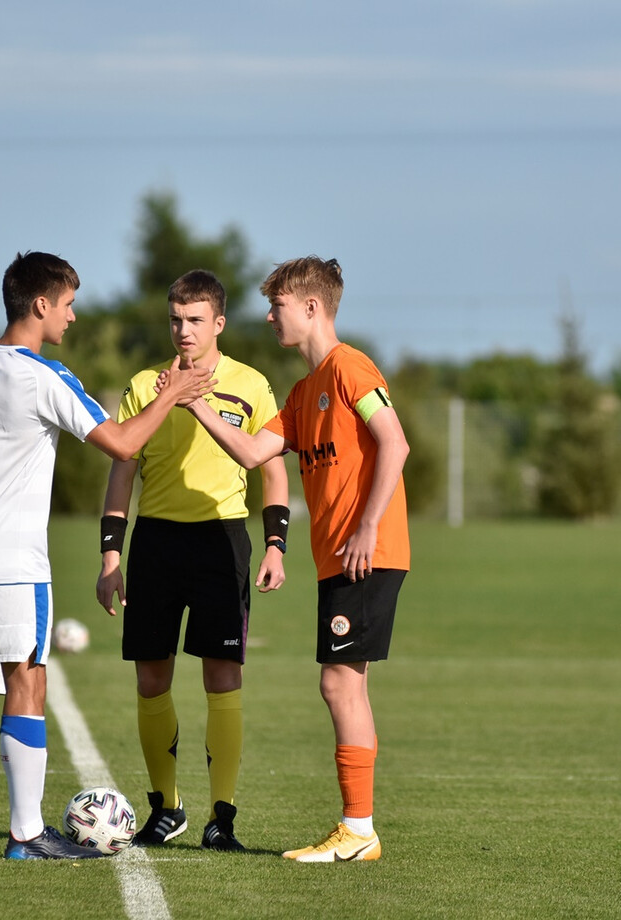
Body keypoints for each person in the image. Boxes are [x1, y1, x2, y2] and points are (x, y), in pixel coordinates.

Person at [0, 251, 214, 860]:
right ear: (40, 305)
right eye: (68, 303)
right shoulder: (44, 376)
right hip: (11, 562)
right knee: (28, 680)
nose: (72, 315)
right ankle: (25, 834)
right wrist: (171, 394)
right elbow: (120, 443)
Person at [169, 256, 410, 862]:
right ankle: (358, 828)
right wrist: (195, 405)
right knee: (342, 686)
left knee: (339, 685)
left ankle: (358, 830)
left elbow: (395, 442)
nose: (269, 315)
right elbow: (253, 453)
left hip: (366, 553)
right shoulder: (305, 393)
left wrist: (368, 525)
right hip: (340, 560)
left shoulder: (349, 367)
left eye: (277, 305)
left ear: (311, 308)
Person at [96, 269, 289, 852]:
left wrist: (276, 543)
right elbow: (121, 473)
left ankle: (221, 817)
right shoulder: (143, 385)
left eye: (196, 319)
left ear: (219, 324)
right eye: (176, 319)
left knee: (221, 677)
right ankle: (167, 806)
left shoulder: (250, 385)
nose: (183, 330)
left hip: (222, 542)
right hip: (155, 543)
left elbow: (273, 468)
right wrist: (111, 556)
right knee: (151, 677)